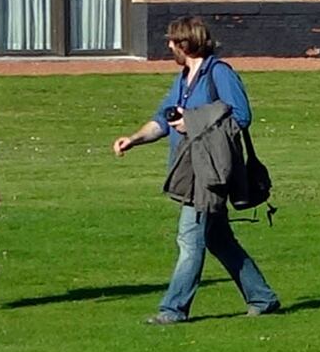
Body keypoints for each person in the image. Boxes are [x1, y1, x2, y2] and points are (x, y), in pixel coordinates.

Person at [111, 16, 280, 322]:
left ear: (185, 44)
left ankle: (172, 309)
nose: (169, 46)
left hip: (211, 171)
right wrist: (133, 139)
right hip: (189, 169)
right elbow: (163, 120)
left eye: (172, 42)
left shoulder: (220, 73)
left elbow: (241, 115)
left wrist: (193, 122)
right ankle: (262, 297)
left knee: (189, 240)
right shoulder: (183, 78)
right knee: (219, 240)